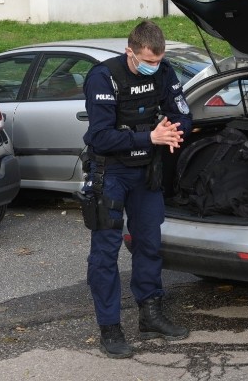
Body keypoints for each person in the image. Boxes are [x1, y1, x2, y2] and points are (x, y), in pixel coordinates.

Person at [80, 20, 192, 359]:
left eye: (158, 61)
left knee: (149, 245)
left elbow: (184, 115)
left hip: (147, 173)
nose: (153, 67)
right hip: (111, 173)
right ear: (130, 52)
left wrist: (171, 129)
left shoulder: (164, 71)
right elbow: (100, 137)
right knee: (105, 253)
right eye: (147, 60)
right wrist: (149, 136)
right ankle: (110, 328)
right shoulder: (103, 77)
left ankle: (150, 315)